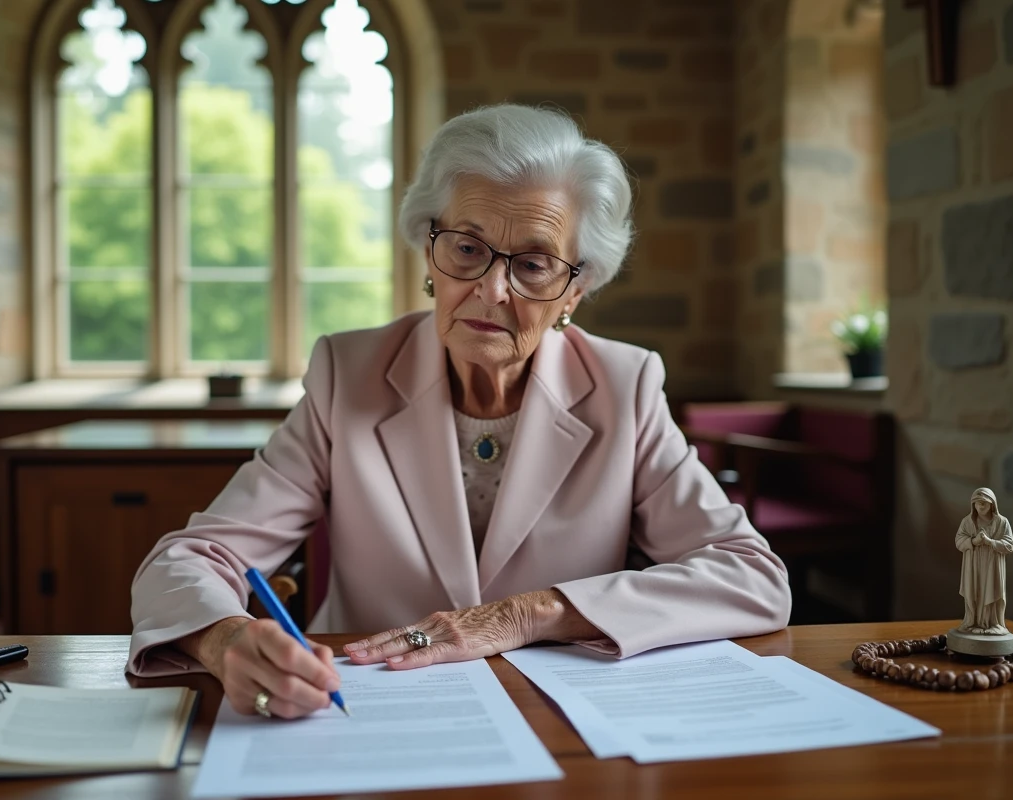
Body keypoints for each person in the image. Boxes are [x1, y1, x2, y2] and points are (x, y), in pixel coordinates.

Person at [127, 104, 791, 720]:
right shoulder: (347, 376)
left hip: (556, 717)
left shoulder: (626, 385)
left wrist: (530, 614)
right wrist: (227, 639)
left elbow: (752, 576)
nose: (491, 291)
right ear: (429, 254)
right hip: (367, 710)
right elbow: (186, 560)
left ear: (575, 290)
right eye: (467, 250)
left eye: (532, 263)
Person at [955, 487, 1013, 635]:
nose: (981, 506)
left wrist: (990, 542)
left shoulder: (1002, 522)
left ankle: (993, 623)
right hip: (973, 566)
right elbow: (959, 541)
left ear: (992, 504)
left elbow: (1009, 545)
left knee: (991, 591)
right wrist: (973, 541)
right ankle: (972, 621)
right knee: (974, 591)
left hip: (992, 566)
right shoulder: (967, 522)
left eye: (985, 503)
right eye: (977, 503)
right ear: (973, 505)